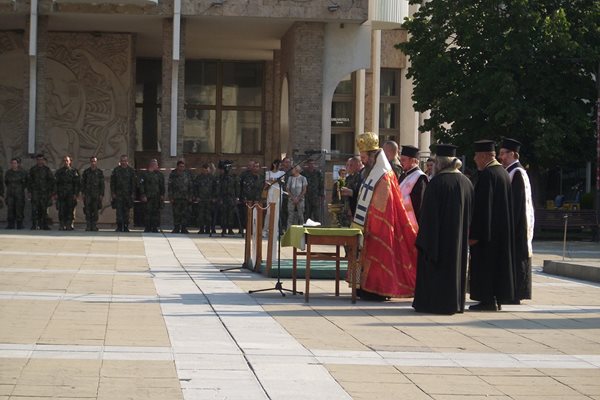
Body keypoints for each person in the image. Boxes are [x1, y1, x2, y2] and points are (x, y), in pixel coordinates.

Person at [352, 132, 418, 300]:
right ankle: (364, 287)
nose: (362, 160)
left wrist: (371, 223)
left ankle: (377, 290)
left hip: (380, 225)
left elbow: (383, 206)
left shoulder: (384, 176)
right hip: (368, 224)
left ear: (373, 156)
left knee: (378, 258)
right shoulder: (371, 172)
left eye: (364, 156)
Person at [412, 144, 474, 315]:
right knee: (456, 270)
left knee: (436, 272)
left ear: (440, 163)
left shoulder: (437, 183)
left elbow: (428, 217)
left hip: (437, 241)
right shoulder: (467, 182)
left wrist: (423, 241)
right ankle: (455, 304)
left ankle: (434, 303)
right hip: (459, 240)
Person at [469, 139, 516, 311]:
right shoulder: (502, 173)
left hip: (487, 234)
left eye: (476, 156)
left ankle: (487, 300)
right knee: (497, 267)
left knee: (486, 267)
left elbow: (483, 208)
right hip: (500, 231)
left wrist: (475, 234)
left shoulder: (488, 175)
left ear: (484, 156)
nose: (474, 159)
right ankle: (496, 298)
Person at [499, 138, 535, 303]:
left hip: (516, 225)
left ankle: (515, 293)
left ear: (512, 153)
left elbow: (515, 203)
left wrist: (507, 224)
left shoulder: (517, 173)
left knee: (516, 258)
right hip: (518, 224)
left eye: (503, 153)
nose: (501, 157)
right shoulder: (514, 171)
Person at [399, 145, 428, 227]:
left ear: (413, 160)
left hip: (413, 222)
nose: (401, 163)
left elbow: (420, 205)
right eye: (400, 160)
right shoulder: (403, 175)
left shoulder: (420, 178)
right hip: (401, 220)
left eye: (403, 160)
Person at [28, 154, 55, 230]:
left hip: (44, 193)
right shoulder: (33, 169)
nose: (40, 161)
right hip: (35, 193)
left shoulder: (47, 170)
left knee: (44, 210)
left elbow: (51, 181)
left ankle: (44, 225)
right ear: (36, 160)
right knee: (34, 210)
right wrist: (30, 191)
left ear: (43, 160)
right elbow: (29, 181)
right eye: (38, 159)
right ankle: (34, 225)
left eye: (41, 159)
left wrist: (50, 191)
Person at [110, 155, 136, 232]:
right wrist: (113, 193)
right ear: (120, 161)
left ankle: (125, 226)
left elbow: (133, 183)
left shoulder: (131, 171)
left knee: (126, 212)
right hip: (118, 194)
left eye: (125, 161)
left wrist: (132, 193)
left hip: (127, 195)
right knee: (119, 212)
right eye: (122, 161)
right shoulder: (116, 170)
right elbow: (112, 183)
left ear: (127, 161)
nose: (123, 162)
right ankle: (119, 226)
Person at [54, 155, 81, 230]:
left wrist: (76, 194)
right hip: (61, 194)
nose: (66, 162)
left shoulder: (74, 171)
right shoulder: (59, 172)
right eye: (64, 161)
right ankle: (62, 224)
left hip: (71, 194)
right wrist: (55, 193)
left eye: (67, 161)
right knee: (61, 209)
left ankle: (69, 224)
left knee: (70, 209)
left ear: (70, 162)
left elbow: (77, 184)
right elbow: (56, 183)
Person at [139, 159, 165, 233]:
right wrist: (143, 195)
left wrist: (162, 195)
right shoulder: (144, 174)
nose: (157, 166)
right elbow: (141, 185)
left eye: (157, 164)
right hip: (148, 197)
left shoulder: (160, 174)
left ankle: (154, 227)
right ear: (151, 165)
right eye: (155, 165)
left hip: (156, 197)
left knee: (156, 213)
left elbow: (162, 186)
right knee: (147, 212)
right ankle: (147, 227)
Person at [168, 160, 193, 234]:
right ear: (177, 166)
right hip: (176, 198)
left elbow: (190, 186)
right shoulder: (173, 174)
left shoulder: (187, 174)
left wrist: (190, 196)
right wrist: (170, 197)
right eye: (180, 166)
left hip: (185, 197)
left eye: (183, 166)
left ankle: (184, 228)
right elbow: (170, 186)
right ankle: (176, 227)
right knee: (176, 213)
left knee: (184, 214)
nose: (182, 168)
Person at [81, 156, 105, 231]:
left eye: (94, 161)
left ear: (96, 162)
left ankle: (94, 225)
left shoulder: (100, 172)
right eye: (92, 161)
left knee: (95, 210)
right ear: (90, 162)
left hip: (96, 195)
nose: (93, 163)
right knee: (87, 210)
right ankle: (88, 225)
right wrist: (83, 193)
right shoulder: (86, 172)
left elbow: (102, 185)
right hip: (88, 195)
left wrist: (101, 194)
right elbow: (83, 183)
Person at [216, 160, 239, 236]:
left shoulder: (233, 177)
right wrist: (219, 197)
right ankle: (224, 229)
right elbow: (218, 188)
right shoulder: (221, 177)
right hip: (223, 197)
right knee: (223, 214)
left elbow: (236, 187)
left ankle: (230, 228)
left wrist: (237, 197)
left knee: (231, 214)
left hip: (231, 197)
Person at [239, 161, 263, 234]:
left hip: (257, 200)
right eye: (254, 166)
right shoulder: (246, 177)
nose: (256, 168)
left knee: (256, 216)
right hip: (248, 199)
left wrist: (259, 199)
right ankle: (246, 230)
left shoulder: (261, 177)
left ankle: (254, 230)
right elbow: (243, 188)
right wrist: (244, 198)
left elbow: (262, 189)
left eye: (257, 166)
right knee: (246, 216)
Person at [4, 158, 28, 229]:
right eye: (12, 163)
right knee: (10, 209)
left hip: (19, 194)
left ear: (18, 164)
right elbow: (6, 182)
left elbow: (26, 183)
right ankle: (10, 224)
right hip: (10, 194)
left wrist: (19, 189)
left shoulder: (23, 172)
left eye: (15, 163)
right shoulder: (8, 172)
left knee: (19, 209)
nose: (13, 165)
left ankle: (19, 224)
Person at [263, 159, 284, 238]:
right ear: (274, 164)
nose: (280, 166)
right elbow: (267, 182)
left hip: (278, 191)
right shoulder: (268, 173)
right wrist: (274, 180)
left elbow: (281, 181)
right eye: (279, 164)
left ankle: (276, 229)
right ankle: (265, 230)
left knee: (277, 212)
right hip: (270, 192)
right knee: (269, 212)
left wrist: (273, 180)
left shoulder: (282, 173)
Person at [194, 163, 215, 234]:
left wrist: (214, 197)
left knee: (208, 215)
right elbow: (195, 188)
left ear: (209, 170)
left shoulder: (212, 178)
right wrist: (196, 197)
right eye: (204, 170)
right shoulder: (199, 178)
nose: (205, 171)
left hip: (209, 200)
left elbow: (215, 188)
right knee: (201, 215)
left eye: (207, 169)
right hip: (201, 199)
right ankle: (201, 228)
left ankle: (208, 229)